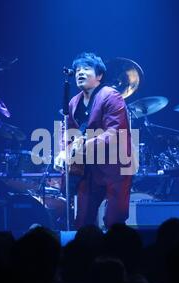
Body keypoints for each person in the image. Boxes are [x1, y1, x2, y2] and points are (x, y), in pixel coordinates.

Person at [55, 52, 134, 229]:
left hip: (116, 167)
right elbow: (66, 132)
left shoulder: (111, 96)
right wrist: (63, 151)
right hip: (88, 169)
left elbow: (114, 132)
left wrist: (83, 144)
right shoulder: (73, 102)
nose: (80, 73)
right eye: (77, 70)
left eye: (86, 69)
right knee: (82, 222)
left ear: (99, 76)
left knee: (115, 221)